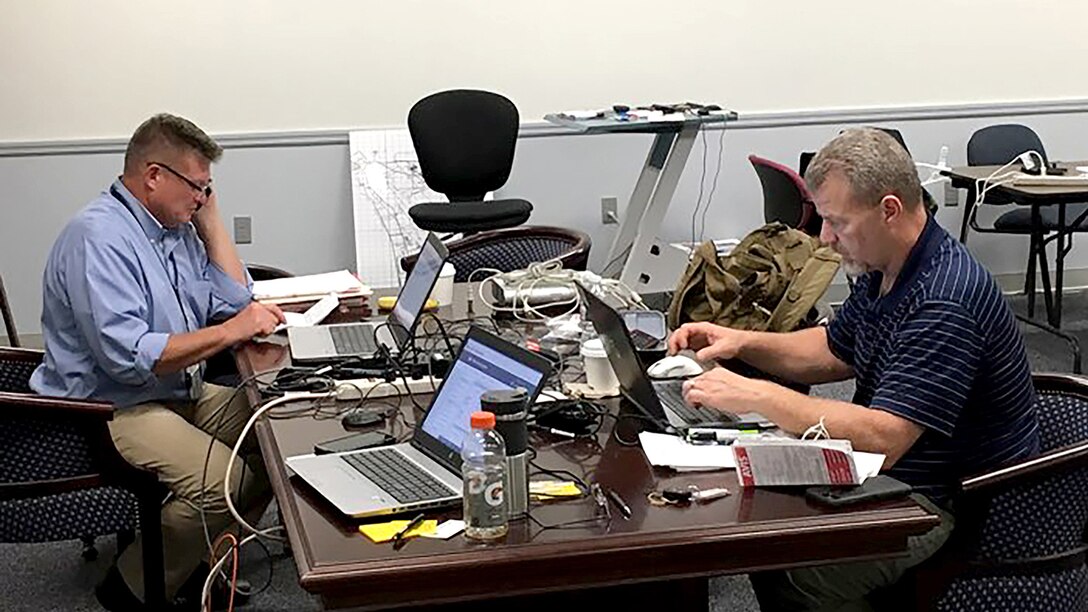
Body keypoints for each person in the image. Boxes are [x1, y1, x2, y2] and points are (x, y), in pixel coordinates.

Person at [670, 128, 1039, 611]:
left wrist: (759, 396)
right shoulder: (886, 263)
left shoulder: (943, 299)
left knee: (797, 571)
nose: (825, 238)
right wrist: (741, 342)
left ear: (889, 209)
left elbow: (884, 440)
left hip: (955, 505)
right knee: (765, 532)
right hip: (902, 476)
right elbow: (833, 348)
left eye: (836, 222)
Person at [30, 113, 285, 610]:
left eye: (208, 190)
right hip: (109, 407)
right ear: (153, 176)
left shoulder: (173, 229)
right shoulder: (98, 238)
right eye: (198, 187)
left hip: (172, 390)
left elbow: (235, 302)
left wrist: (210, 221)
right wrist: (233, 331)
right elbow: (130, 357)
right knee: (225, 486)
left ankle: (194, 561)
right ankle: (130, 590)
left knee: (274, 424)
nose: (202, 198)